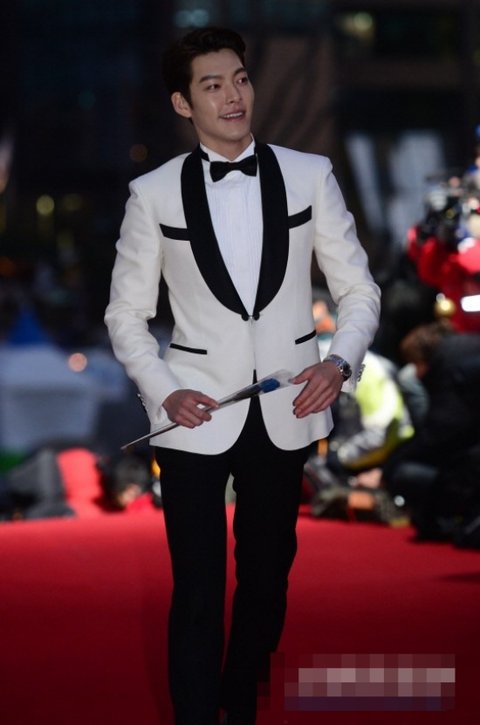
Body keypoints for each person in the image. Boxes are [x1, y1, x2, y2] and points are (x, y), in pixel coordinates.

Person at [104, 27, 380, 725]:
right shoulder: (152, 194)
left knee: (266, 582)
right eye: (212, 85)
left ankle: (239, 703)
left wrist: (339, 361)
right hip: (193, 413)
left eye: (240, 79)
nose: (233, 96)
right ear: (182, 103)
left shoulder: (310, 174)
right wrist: (163, 388)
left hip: (289, 408)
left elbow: (358, 290)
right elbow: (126, 315)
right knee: (197, 590)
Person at [382, 319, 480, 541]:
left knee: (406, 474)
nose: (416, 375)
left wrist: (388, 469)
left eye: (416, 365)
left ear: (423, 358)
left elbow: (440, 432)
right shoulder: (461, 351)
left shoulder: (449, 367)